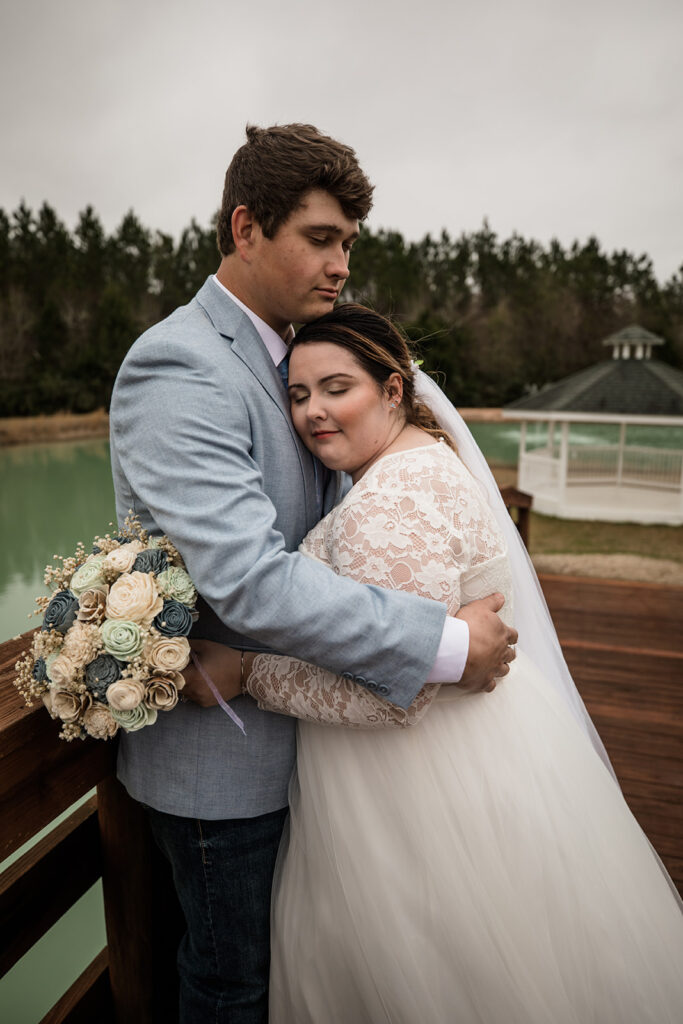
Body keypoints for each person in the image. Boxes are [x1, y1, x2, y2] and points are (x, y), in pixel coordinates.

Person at [109, 124, 516, 1023]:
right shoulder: (181, 364)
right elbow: (250, 582)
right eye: (320, 238)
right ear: (246, 227)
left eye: (348, 244)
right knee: (233, 992)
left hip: (311, 741)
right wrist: (444, 643)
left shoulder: (296, 351)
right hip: (224, 762)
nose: (340, 265)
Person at [199, 303, 683, 1023]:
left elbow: (395, 698)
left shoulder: (386, 504)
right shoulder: (429, 459)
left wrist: (246, 675)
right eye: (298, 395)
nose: (312, 413)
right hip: (490, 748)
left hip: (412, 783)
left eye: (337, 388)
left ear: (392, 389)